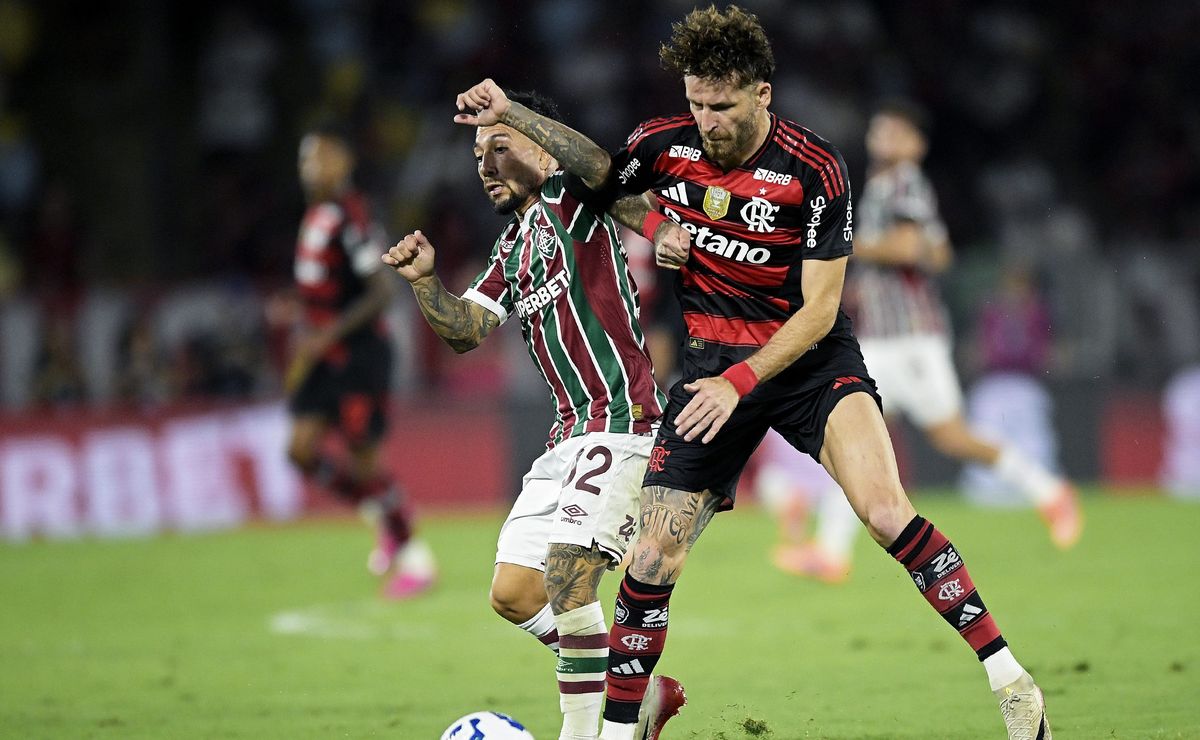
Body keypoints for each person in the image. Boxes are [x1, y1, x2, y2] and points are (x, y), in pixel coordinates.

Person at [478, 7, 1056, 738]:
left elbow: (819, 311)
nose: (706, 120)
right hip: (710, 367)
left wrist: (739, 384)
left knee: (884, 512)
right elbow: (602, 178)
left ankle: (1011, 682)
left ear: (762, 94)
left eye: (721, 106)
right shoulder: (663, 145)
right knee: (650, 559)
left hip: (808, 363)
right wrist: (528, 126)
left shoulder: (815, 169)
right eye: (695, 102)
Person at [382, 89, 683, 740]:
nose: (485, 165)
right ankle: (639, 690)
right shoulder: (511, 248)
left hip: (621, 422)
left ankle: (601, 733)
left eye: (499, 148)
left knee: (568, 577)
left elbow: (602, 167)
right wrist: (424, 281)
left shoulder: (569, 202)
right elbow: (464, 331)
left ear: (541, 152)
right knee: (515, 593)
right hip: (565, 438)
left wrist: (511, 113)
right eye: (477, 155)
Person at [774, 104, 1084, 582]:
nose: (884, 136)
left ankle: (1049, 491)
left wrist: (838, 242)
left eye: (897, 131)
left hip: (909, 339)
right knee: (860, 439)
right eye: (880, 127)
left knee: (946, 436)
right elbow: (936, 250)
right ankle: (831, 549)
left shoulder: (904, 182)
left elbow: (907, 246)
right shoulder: (885, 186)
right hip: (884, 335)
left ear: (916, 144)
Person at [286, 121, 435, 599]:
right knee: (300, 451)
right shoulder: (315, 217)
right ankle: (383, 516)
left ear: (343, 162)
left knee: (366, 461)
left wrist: (325, 331)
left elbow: (380, 291)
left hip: (357, 355)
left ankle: (415, 557)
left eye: (320, 158)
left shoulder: (352, 217)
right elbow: (324, 289)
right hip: (322, 354)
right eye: (305, 159)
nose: (311, 169)